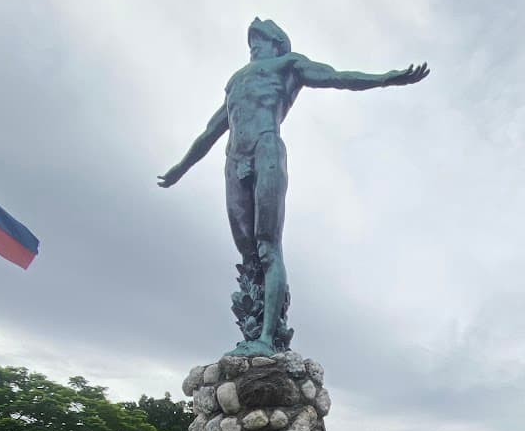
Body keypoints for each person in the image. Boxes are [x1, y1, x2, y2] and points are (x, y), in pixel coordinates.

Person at [158, 19, 430, 354]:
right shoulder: (235, 81)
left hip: (266, 148)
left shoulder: (287, 65)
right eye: (251, 41)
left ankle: (267, 338)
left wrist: (386, 79)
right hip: (234, 159)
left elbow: (338, 78)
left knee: (267, 245)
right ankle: (252, 330)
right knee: (248, 252)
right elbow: (212, 129)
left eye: (259, 39)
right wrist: (181, 168)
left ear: (276, 43)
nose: (253, 45)